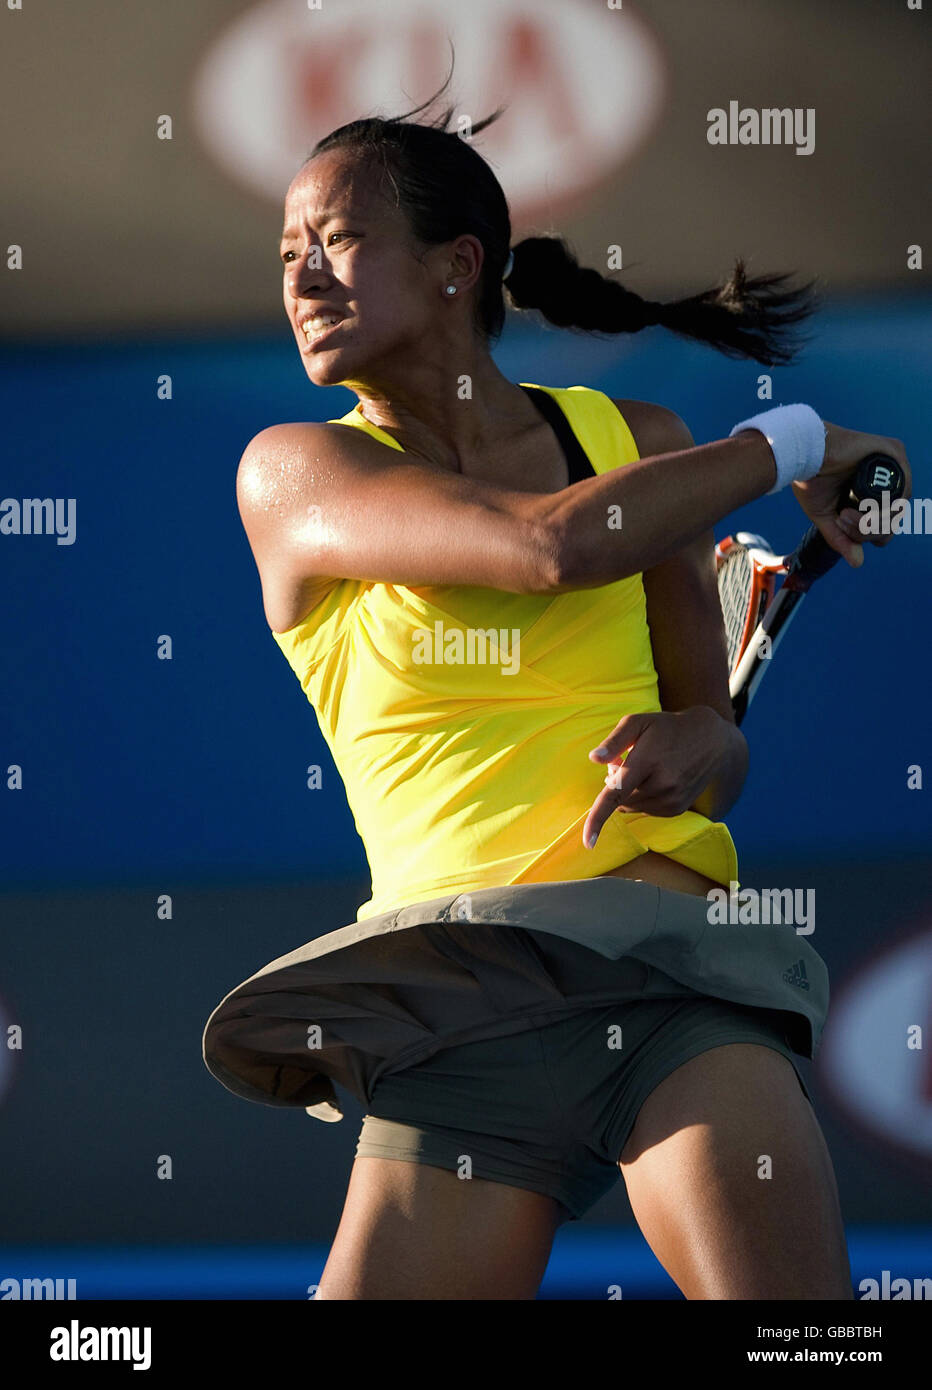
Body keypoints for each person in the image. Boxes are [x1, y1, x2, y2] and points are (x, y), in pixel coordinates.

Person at [202, 81, 910, 1300]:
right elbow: (549, 549)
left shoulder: (634, 442)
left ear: (453, 266)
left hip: (674, 991)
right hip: (456, 1005)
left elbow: (717, 737)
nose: (303, 280)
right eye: (286, 256)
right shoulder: (293, 472)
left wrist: (695, 743)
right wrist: (788, 443)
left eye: (340, 241)